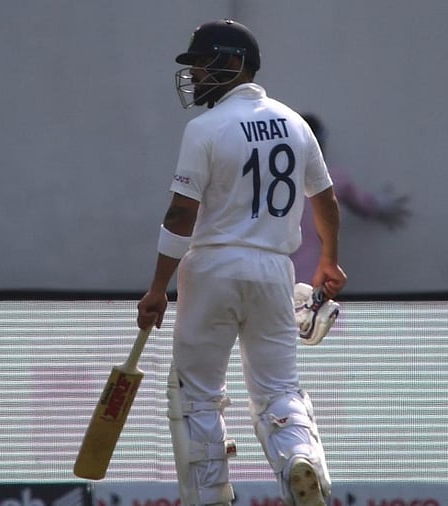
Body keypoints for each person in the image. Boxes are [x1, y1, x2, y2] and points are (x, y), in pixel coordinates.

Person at [136, 19, 347, 506]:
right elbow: (326, 200)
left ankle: (209, 496)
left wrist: (156, 288)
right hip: (276, 270)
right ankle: (300, 458)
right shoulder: (295, 123)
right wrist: (330, 261)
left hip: (212, 267)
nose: (195, 76)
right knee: (278, 390)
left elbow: (180, 213)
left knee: (196, 394)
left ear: (233, 64)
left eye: (203, 65)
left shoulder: (205, 128)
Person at [291, 113, 411, 283]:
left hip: (274, 280)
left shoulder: (272, 183)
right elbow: (366, 205)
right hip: (315, 282)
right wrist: (383, 204)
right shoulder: (334, 180)